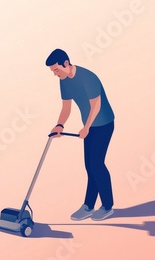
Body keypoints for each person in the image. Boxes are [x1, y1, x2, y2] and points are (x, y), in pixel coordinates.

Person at [46, 49, 115, 221]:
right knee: (89, 166)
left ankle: (107, 206)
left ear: (66, 64)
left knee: (96, 165)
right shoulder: (64, 81)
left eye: (56, 70)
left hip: (104, 123)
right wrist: (60, 125)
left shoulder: (87, 78)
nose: (55, 74)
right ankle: (89, 206)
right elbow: (66, 108)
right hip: (90, 126)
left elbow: (96, 106)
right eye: (53, 71)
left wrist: (86, 127)